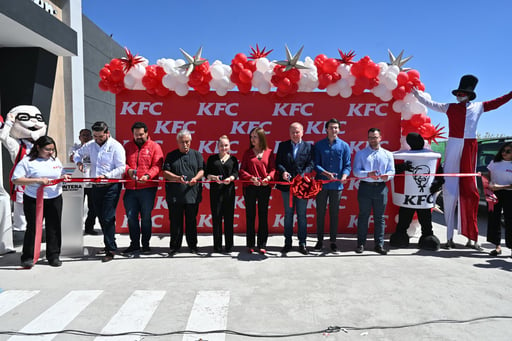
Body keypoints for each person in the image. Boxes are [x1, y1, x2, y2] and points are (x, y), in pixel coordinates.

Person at [413, 75, 512, 249]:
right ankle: (449, 237)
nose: (459, 95)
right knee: (450, 190)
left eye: (462, 93)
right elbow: (432, 104)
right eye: (457, 93)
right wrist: (418, 95)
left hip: (469, 144)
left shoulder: (479, 107)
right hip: (453, 143)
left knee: (470, 192)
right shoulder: (449, 107)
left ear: (469, 94)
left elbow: (497, 102)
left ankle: (471, 239)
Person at [11, 136, 70, 268]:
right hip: (34, 198)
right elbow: (16, 179)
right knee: (33, 227)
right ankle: (28, 256)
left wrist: (63, 177)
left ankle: (53, 255)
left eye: (52, 150)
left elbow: (61, 172)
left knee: (54, 226)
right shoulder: (27, 161)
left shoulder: (54, 160)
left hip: (54, 197)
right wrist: (37, 180)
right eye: (47, 149)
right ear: (38, 148)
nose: (50, 152)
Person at [73, 121, 126, 262]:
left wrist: (107, 176)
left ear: (107, 133)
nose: (97, 139)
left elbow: (121, 168)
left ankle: (110, 249)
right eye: (95, 136)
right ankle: (109, 242)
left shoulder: (116, 146)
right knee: (101, 216)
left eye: (100, 137)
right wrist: (78, 162)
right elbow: (76, 154)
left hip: (111, 186)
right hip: (95, 186)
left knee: (108, 216)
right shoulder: (90, 145)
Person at [122, 122, 163, 255]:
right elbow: (122, 163)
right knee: (131, 217)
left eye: (141, 134)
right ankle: (134, 244)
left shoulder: (155, 146)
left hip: (147, 188)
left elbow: (157, 165)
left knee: (145, 217)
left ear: (146, 133)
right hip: (130, 189)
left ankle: (146, 245)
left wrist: (147, 175)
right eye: (136, 134)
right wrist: (128, 171)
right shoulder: (127, 146)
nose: (138, 137)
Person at [353, 128, 395, 255]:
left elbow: (392, 171)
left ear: (380, 138)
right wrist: (368, 174)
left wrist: (387, 176)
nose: (373, 140)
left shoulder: (388, 154)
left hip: (381, 188)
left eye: (375, 137)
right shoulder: (360, 153)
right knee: (363, 216)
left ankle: (379, 244)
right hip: (365, 187)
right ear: (367, 138)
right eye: (370, 137)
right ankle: (361, 244)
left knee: (379, 218)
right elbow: (356, 171)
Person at [163, 129, 204, 255]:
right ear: (177, 142)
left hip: (192, 195)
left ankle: (193, 245)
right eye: (182, 142)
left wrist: (196, 178)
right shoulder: (171, 155)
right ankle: (175, 246)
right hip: (175, 196)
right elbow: (165, 172)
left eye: (187, 142)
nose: (185, 144)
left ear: (190, 141)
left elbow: (202, 170)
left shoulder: (197, 155)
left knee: (191, 221)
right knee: (175, 222)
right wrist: (176, 178)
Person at [313, 118, 351, 252]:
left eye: (336, 128)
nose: (333, 130)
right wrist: (325, 173)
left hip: (336, 186)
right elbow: (315, 164)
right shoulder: (319, 145)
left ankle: (333, 241)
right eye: (331, 127)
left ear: (339, 129)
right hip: (322, 185)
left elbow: (347, 165)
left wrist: (345, 176)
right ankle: (319, 241)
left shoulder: (344, 146)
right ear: (326, 129)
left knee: (334, 214)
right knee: (320, 213)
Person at [276, 122, 314, 255]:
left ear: (302, 132)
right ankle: (287, 242)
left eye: (297, 132)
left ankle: (302, 243)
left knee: (302, 215)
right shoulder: (283, 145)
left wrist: (302, 175)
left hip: (302, 186)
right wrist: (283, 172)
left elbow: (311, 163)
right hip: (287, 187)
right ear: (289, 133)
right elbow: (278, 162)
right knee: (288, 215)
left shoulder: (309, 146)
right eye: (292, 132)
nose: (295, 134)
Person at [239, 127, 276, 254]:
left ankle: (262, 244)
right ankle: (250, 244)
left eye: (255, 136)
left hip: (264, 188)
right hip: (250, 187)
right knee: (250, 215)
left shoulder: (269, 152)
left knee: (263, 215)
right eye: (251, 137)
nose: (252, 139)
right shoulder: (247, 153)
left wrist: (269, 177)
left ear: (261, 138)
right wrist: (251, 178)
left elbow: (273, 169)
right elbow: (242, 171)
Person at [205, 135, 238, 253]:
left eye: (226, 145)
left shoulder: (233, 159)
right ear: (217, 146)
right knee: (216, 218)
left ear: (229, 146)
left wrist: (230, 178)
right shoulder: (212, 159)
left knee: (229, 219)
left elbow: (236, 173)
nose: (224, 148)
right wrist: (213, 177)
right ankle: (217, 245)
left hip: (229, 192)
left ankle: (229, 245)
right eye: (221, 145)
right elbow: (206, 174)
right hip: (215, 193)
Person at [69, 128, 98, 235]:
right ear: (79, 137)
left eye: (87, 135)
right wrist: (83, 148)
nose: (85, 137)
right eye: (83, 135)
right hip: (78, 182)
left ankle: (89, 228)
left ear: (91, 137)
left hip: (91, 181)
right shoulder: (75, 147)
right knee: (77, 206)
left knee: (93, 207)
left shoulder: (94, 147)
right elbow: (72, 158)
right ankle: (76, 228)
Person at [486, 142, 512, 257]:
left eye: (508, 151)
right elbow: (489, 176)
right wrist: (490, 183)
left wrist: (500, 187)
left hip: (509, 194)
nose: (504, 153)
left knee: (509, 220)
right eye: (503, 150)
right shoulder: (494, 162)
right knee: (493, 218)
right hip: (494, 193)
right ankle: (497, 246)